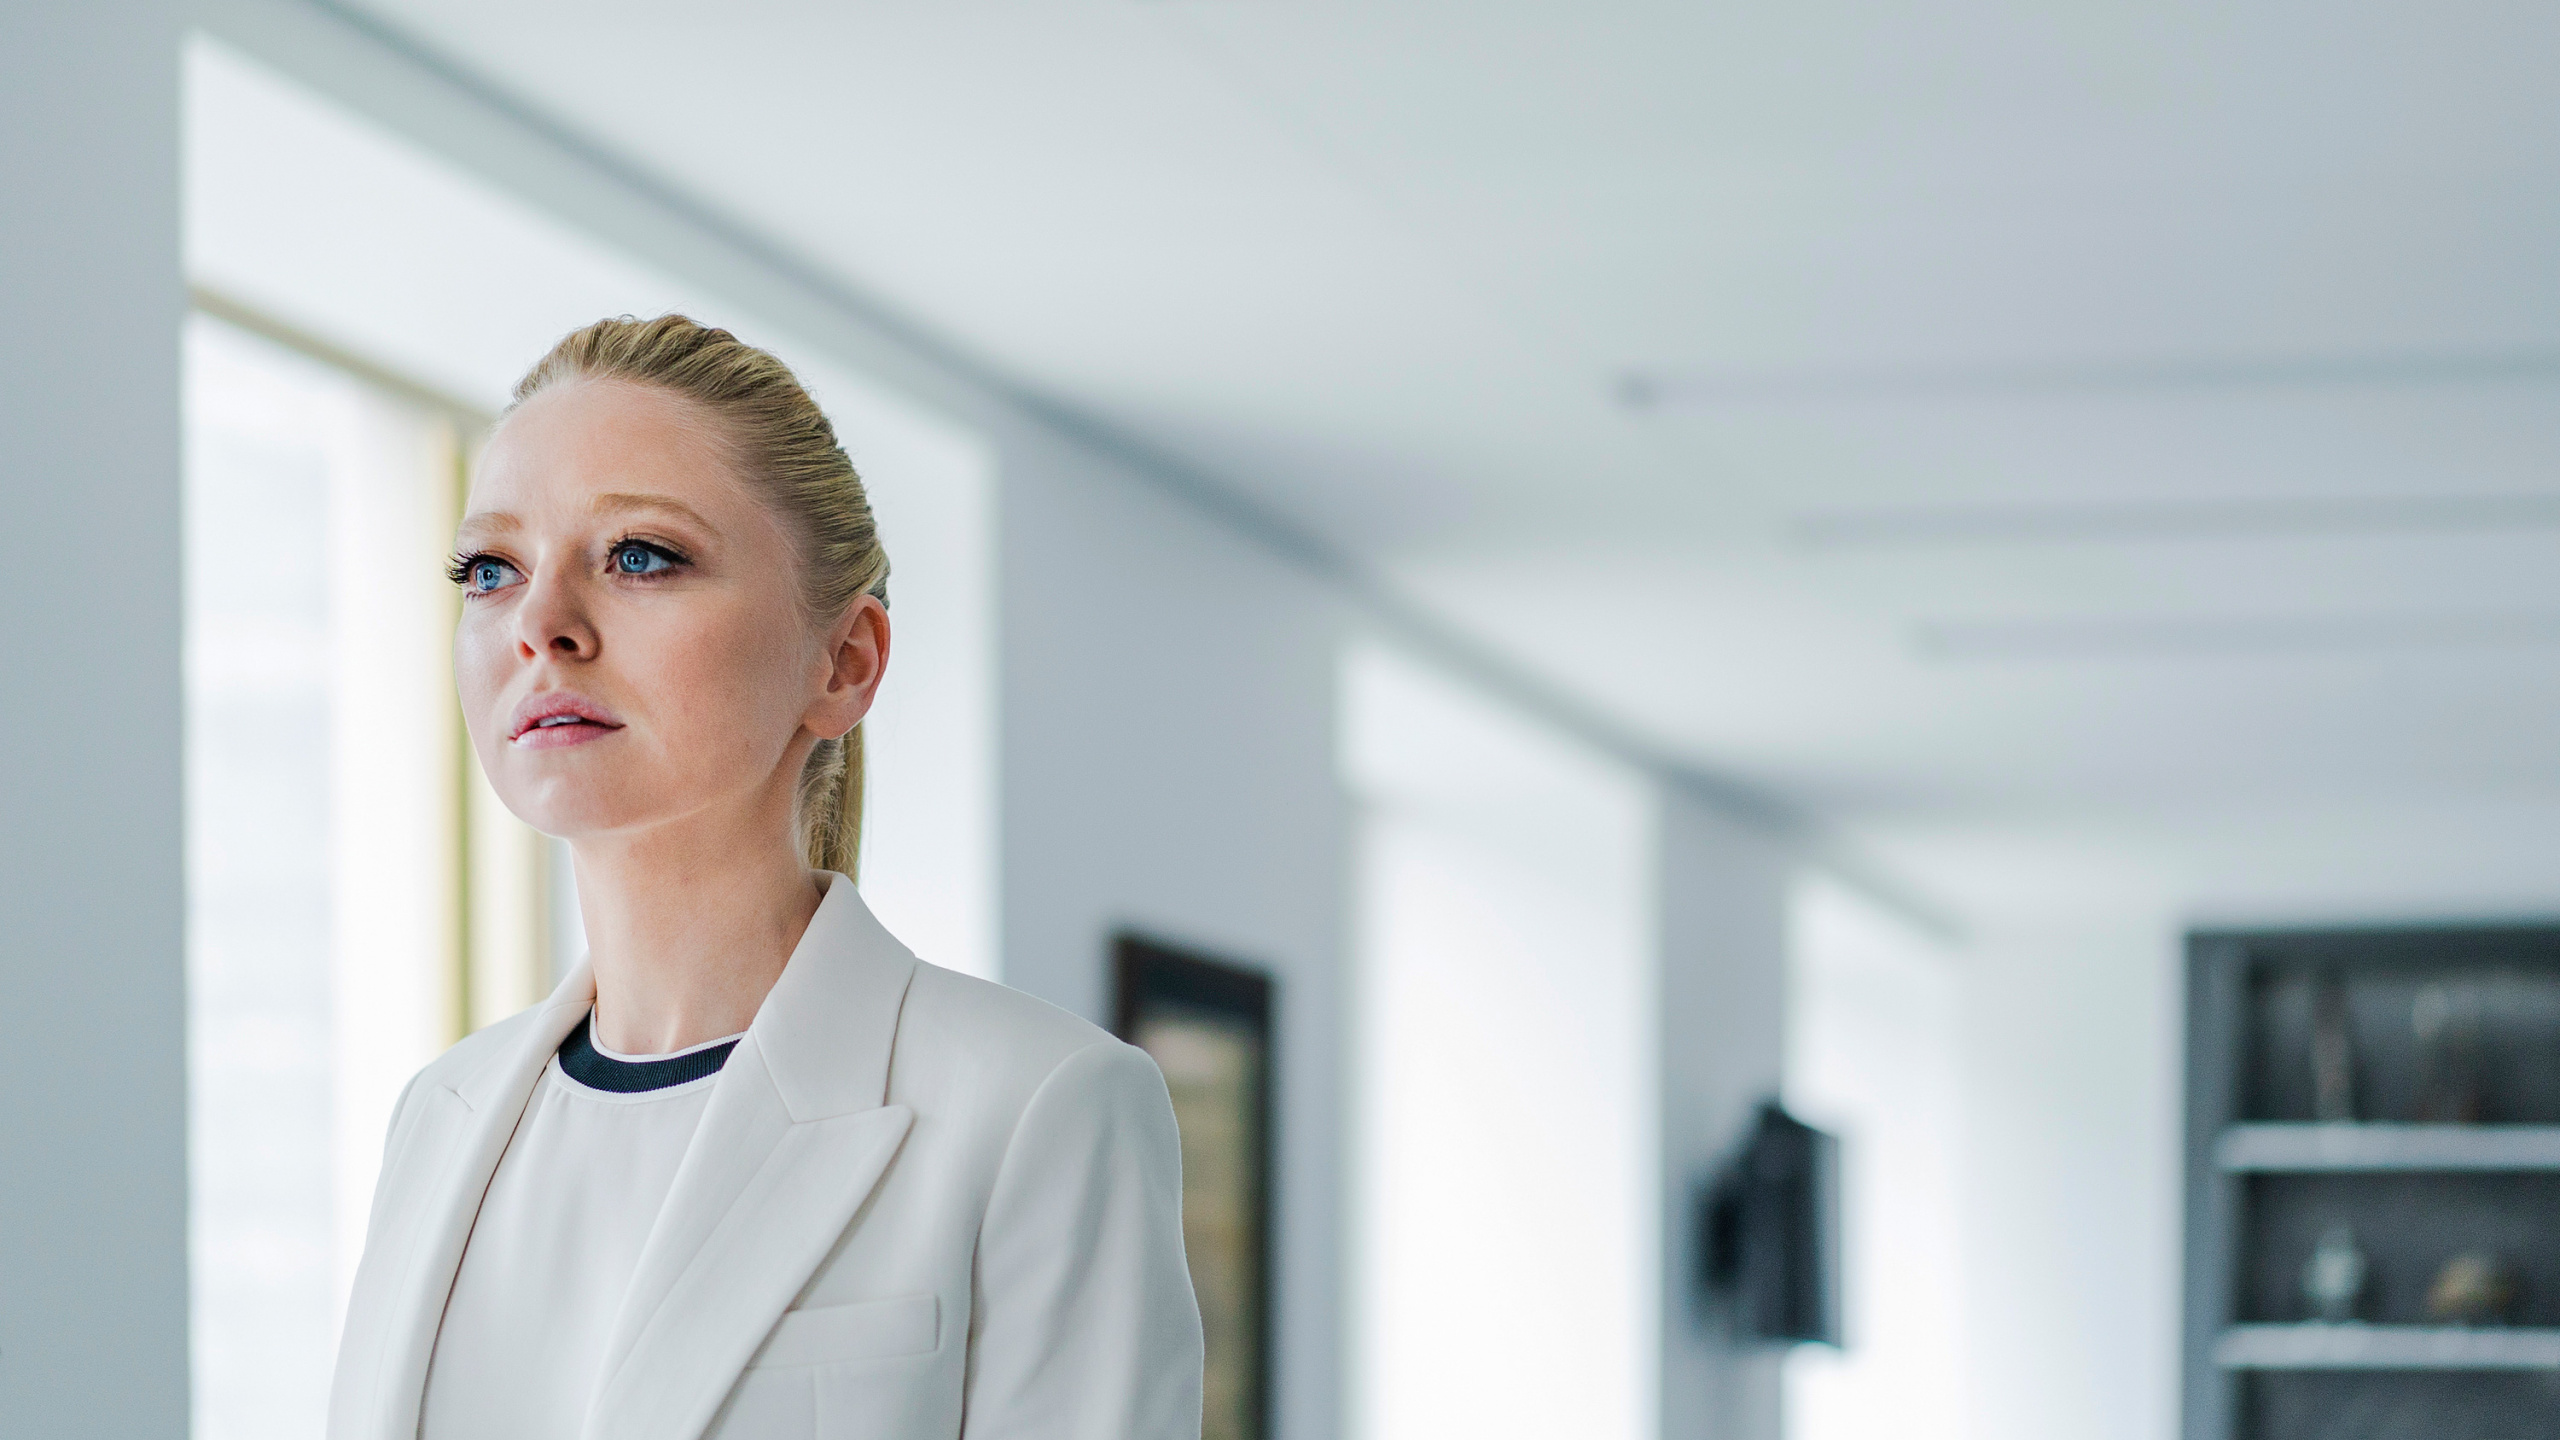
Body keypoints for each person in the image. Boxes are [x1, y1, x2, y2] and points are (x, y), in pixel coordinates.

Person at [325, 315, 1205, 1440]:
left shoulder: (1037, 1108)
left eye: (641, 556)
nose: (540, 625)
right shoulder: (435, 1120)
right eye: (489, 570)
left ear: (843, 663)